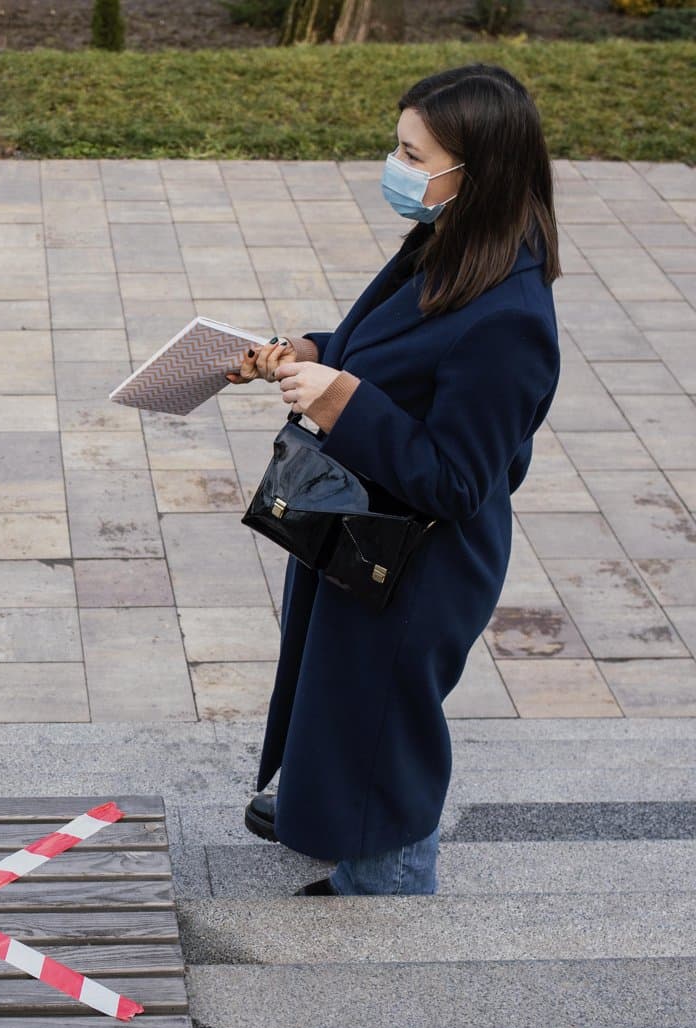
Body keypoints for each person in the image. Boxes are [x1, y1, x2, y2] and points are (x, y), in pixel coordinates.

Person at [227, 65, 561, 895]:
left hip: (421, 564)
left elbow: (458, 480)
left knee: (383, 721)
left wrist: (341, 401)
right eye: (399, 148)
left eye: (414, 156)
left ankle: (388, 885)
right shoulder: (450, 242)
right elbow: (387, 349)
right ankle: (325, 810)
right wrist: (310, 352)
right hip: (365, 528)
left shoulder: (511, 318)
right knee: (339, 692)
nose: (396, 168)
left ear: (475, 173)